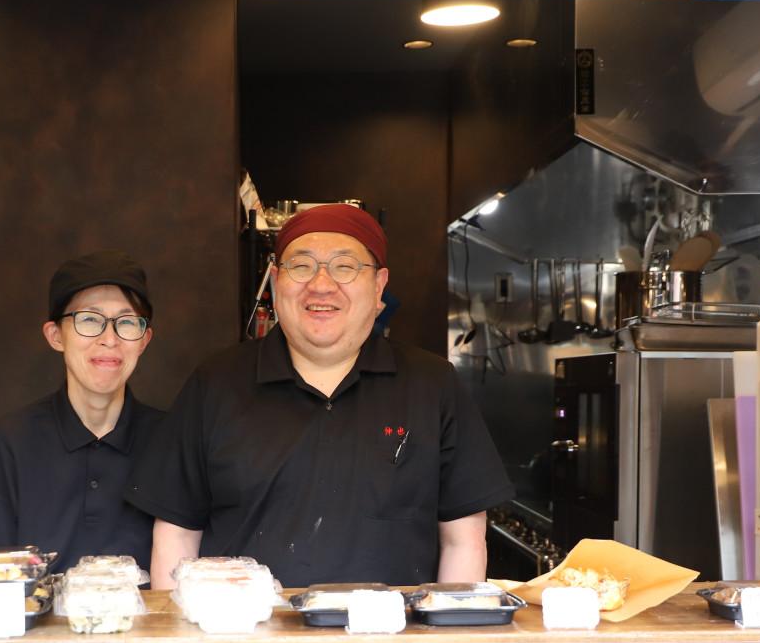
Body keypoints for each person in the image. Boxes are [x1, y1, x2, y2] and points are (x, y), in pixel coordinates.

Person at [125, 205, 513, 588]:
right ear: (276, 281)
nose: (322, 284)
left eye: (345, 266)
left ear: (379, 286)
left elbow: (463, 541)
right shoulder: (216, 383)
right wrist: (177, 625)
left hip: (393, 630)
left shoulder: (433, 385)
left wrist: (445, 628)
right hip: (244, 629)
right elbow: (177, 533)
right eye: (302, 265)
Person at [0, 250, 162, 573]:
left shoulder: (171, 441)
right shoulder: (10, 441)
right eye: (89, 320)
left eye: (126, 322)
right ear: (55, 336)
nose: (109, 339)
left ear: (144, 340)